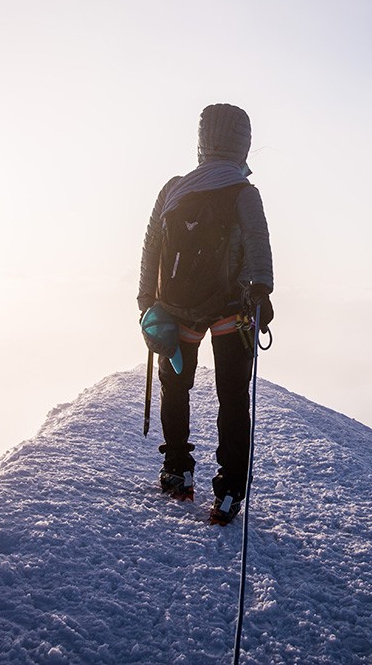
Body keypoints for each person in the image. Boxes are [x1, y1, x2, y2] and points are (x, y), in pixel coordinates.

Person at [137, 103, 274, 524]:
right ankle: (230, 490)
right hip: (231, 313)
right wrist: (262, 293)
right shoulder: (243, 192)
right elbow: (257, 243)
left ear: (202, 141)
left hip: (176, 310)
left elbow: (151, 247)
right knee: (232, 399)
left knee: (175, 389)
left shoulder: (175, 188)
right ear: (242, 144)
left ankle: (176, 468)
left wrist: (147, 300)